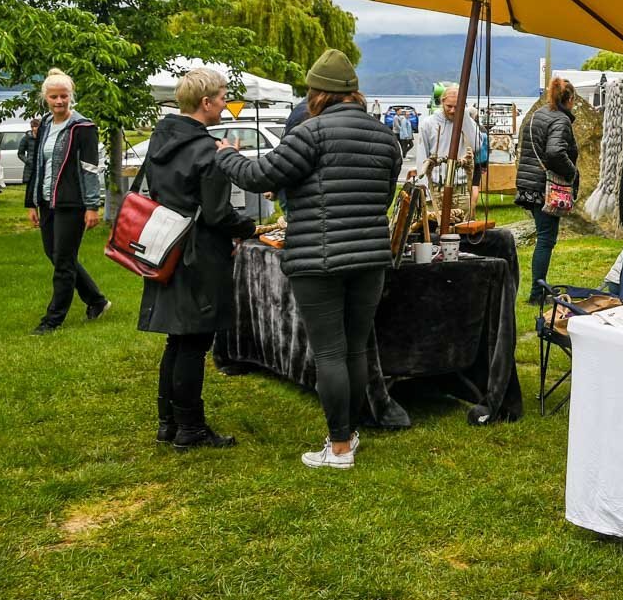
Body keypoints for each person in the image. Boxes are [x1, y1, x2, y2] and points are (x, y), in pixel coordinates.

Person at [214, 49, 402, 470]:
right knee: (354, 349)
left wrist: (226, 153)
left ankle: (338, 448)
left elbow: (260, 176)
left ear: (318, 92)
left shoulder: (310, 133)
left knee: (330, 352)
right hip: (370, 255)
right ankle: (349, 434)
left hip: (318, 258)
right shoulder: (386, 137)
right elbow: (385, 196)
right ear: (353, 91)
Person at [138, 68, 259, 450]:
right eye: (223, 97)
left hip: (164, 245)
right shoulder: (208, 152)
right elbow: (218, 214)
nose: (226, 104)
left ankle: (168, 422)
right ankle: (189, 428)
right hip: (198, 253)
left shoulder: (160, 141)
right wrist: (249, 228)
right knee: (193, 341)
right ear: (206, 103)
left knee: (177, 340)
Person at [25, 69, 109, 333]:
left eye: (63, 96)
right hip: (46, 200)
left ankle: (52, 320)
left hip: (72, 203)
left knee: (63, 261)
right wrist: (31, 201)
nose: (59, 101)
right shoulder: (46, 125)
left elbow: (90, 168)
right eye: (53, 97)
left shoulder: (84, 127)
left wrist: (92, 206)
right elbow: (38, 164)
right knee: (56, 255)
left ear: (71, 96)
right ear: (45, 98)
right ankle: (97, 300)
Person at [516, 78, 579, 301]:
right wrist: (572, 172)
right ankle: (537, 293)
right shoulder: (561, 120)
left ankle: (538, 289)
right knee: (546, 239)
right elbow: (554, 152)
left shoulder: (539, 114)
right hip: (545, 187)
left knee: (544, 237)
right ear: (570, 99)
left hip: (529, 184)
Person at [414, 86, 481, 215]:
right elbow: (422, 158)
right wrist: (425, 190)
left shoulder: (468, 122)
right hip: (436, 188)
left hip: (461, 189)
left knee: (463, 230)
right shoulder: (428, 124)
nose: (452, 110)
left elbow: (476, 145)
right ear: (442, 102)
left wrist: (464, 116)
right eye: (449, 106)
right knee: (435, 228)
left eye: (457, 107)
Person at [17, 118, 41, 186]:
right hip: (30, 168)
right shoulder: (26, 138)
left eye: (36, 126)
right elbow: (20, 153)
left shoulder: (44, 137)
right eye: (32, 127)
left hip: (41, 166)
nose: (34, 128)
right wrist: (28, 161)